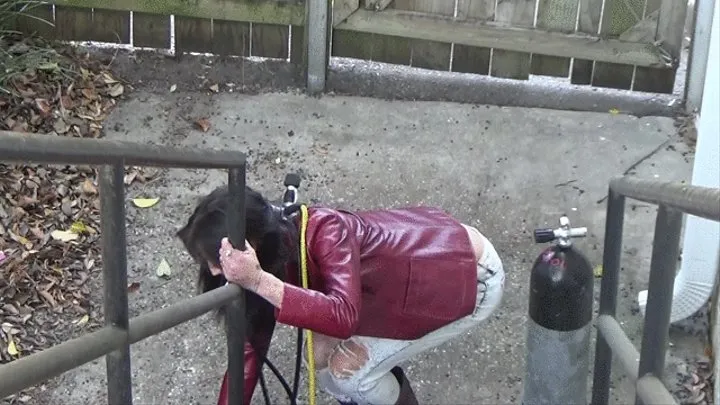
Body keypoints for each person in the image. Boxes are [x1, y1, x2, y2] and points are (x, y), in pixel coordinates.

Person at [177, 185, 506, 405]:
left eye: (214, 259)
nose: (217, 271)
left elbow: (343, 315)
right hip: (396, 285)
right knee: (318, 356)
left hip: (465, 276)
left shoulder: (326, 230)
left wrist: (260, 281)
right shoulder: (274, 250)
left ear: (252, 245)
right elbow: (250, 348)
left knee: (346, 374)